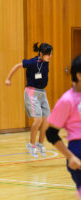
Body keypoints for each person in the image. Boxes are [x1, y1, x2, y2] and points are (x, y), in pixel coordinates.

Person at [5, 42, 53, 157]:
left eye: (51, 54)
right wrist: (8, 79)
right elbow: (17, 66)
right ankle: (31, 145)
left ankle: (40, 143)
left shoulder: (45, 62)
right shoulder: (32, 62)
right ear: (41, 54)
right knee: (38, 120)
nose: (50, 56)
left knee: (47, 120)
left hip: (42, 93)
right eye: (48, 54)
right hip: (32, 93)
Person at [46, 55, 81, 197]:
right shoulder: (67, 100)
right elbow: (51, 133)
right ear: (79, 75)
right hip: (78, 151)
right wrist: (70, 157)